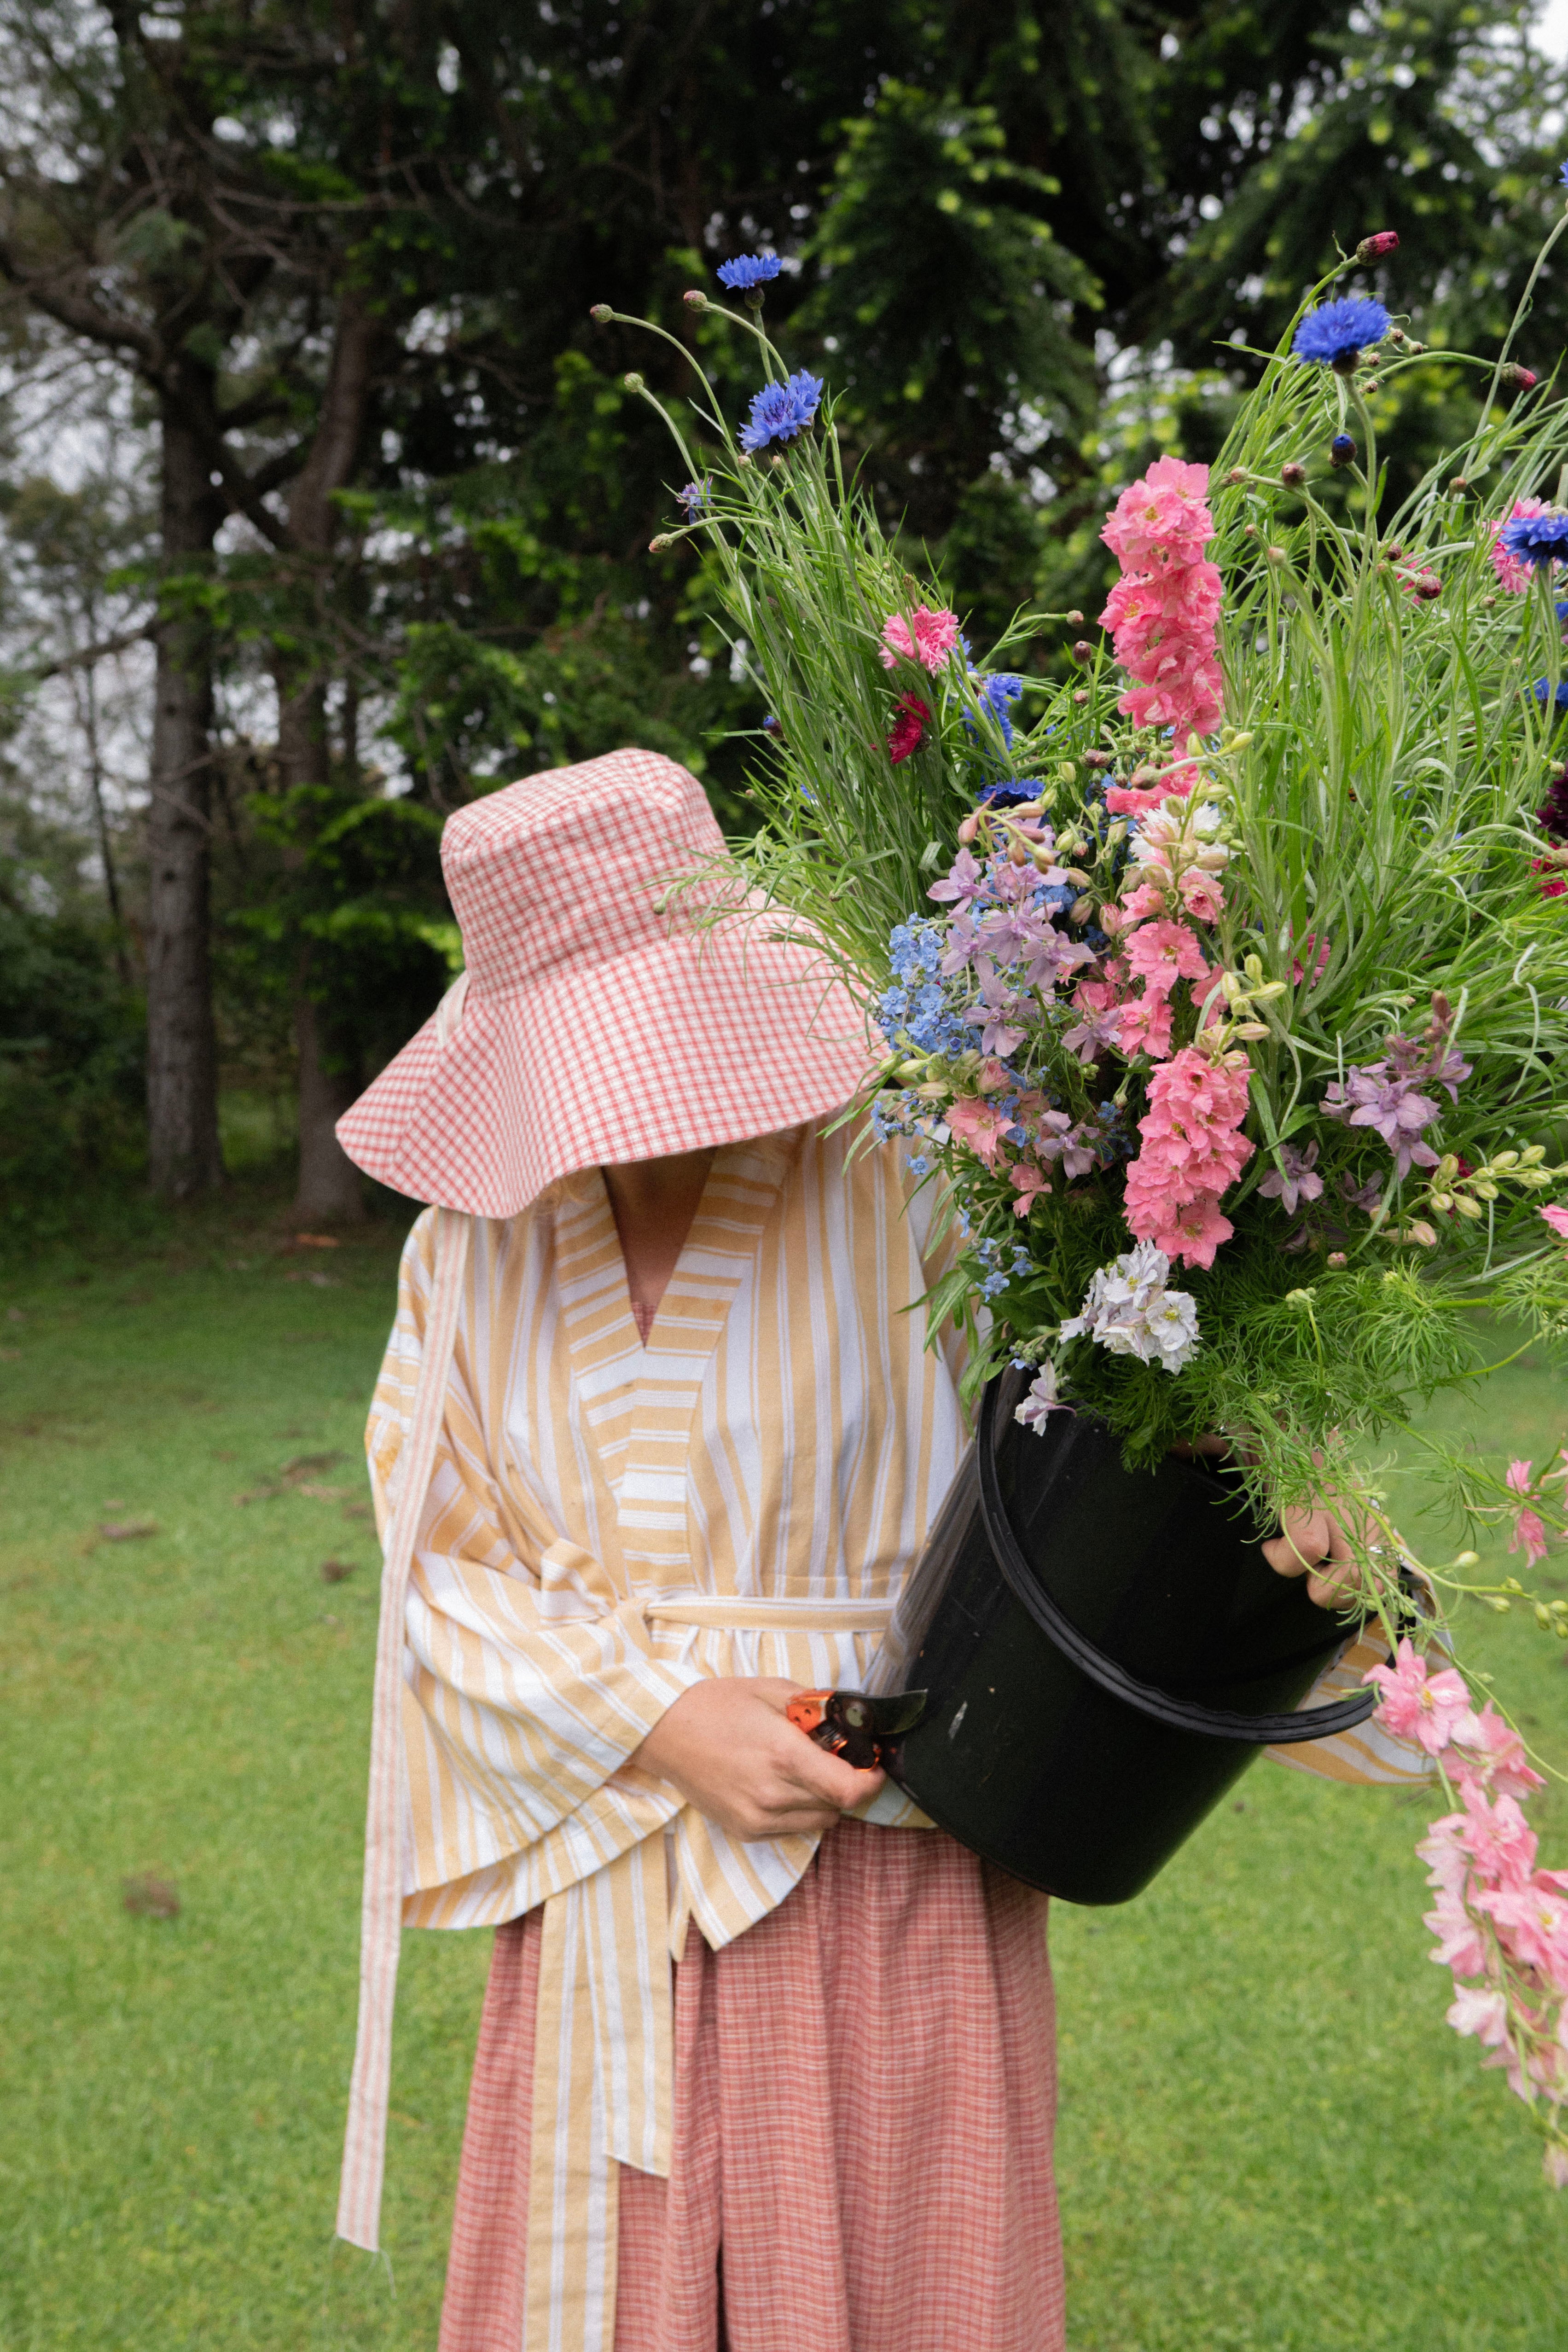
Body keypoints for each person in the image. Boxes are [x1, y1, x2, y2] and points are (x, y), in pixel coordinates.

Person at [332, 748, 1432, 2352]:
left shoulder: (937, 1175)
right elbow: (434, 1567)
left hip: (890, 1903)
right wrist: (654, 1718)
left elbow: (1128, 1478)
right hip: (599, 1920)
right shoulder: (470, 1253)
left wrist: (1285, 1543)